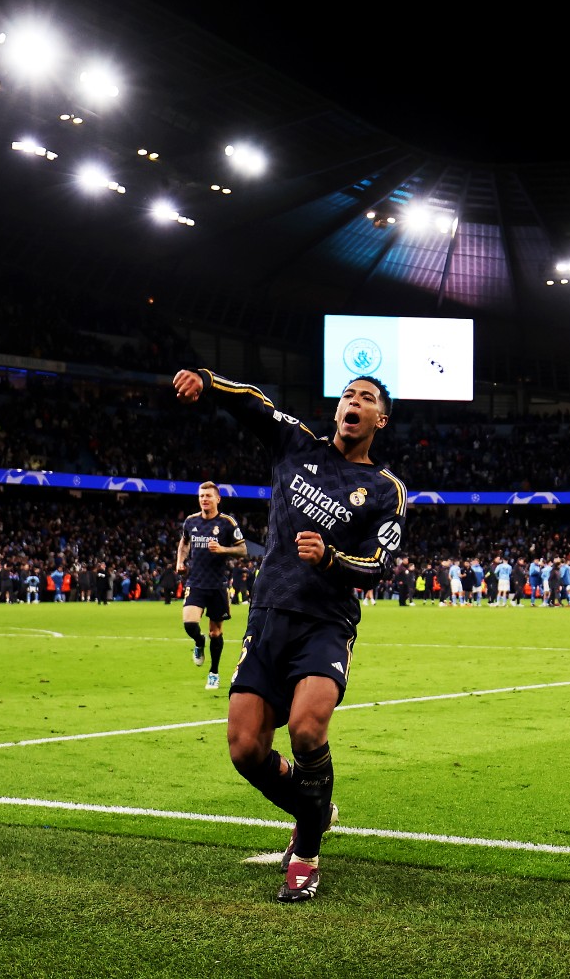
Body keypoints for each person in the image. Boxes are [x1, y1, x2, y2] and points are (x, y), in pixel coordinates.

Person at [172, 366, 406, 903]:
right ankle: (316, 808)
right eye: (348, 394)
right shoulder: (296, 445)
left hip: (326, 624)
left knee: (305, 728)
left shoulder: (384, 489)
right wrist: (207, 381)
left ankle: (306, 846)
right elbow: (253, 401)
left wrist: (330, 558)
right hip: (268, 617)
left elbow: (377, 566)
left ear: (380, 419)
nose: (353, 401)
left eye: (365, 398)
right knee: (244, 748)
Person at [177, 481, 248, 689]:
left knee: (215, 632)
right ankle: (199, 643)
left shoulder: (227, 523)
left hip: (217, 585)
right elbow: (184, 542)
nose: (204, 499)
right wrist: (180, 562)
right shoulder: (190, 522)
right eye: (201, 496)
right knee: (189, 624)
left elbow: (243, 550)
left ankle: (214, 672)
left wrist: (223, 550)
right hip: (196, 582)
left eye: (208, 496)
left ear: (217, 499)